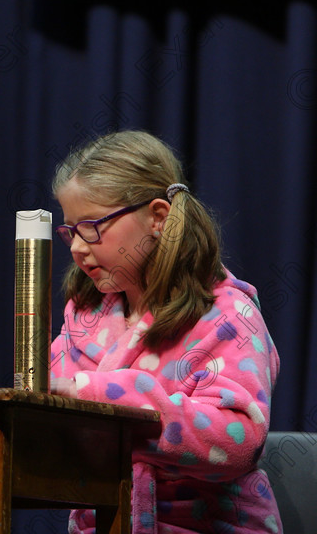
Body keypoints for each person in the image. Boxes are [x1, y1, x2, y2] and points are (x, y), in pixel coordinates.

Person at [49, 130, 282, 533]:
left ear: (157, 217)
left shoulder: (228, 316)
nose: (77, 247)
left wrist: (112, 396)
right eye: (70, 230)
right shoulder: (84, 316)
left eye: (92, 226)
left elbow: (239, 440)